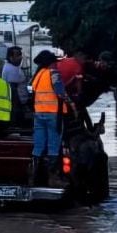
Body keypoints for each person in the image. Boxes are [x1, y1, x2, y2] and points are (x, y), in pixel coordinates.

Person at [30, 50, 72, 186]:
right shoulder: (53, 73)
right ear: (51, 62)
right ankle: (53, 178)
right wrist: (72, 104)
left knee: (38, 146)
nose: (56, 64)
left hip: (39, 114)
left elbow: (32, 91)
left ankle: (33, 177)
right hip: (53, 114)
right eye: (55, 62)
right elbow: (61, 93)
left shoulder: (38, 75)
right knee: (53, 146)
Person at [1, 46, 29, 125]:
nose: (20, 57)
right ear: (11, 57)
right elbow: (14, 89)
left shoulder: (14, 67)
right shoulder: (11, 69)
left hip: (19, 103)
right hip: (16, 105)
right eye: (18, 55)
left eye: (20, 54)